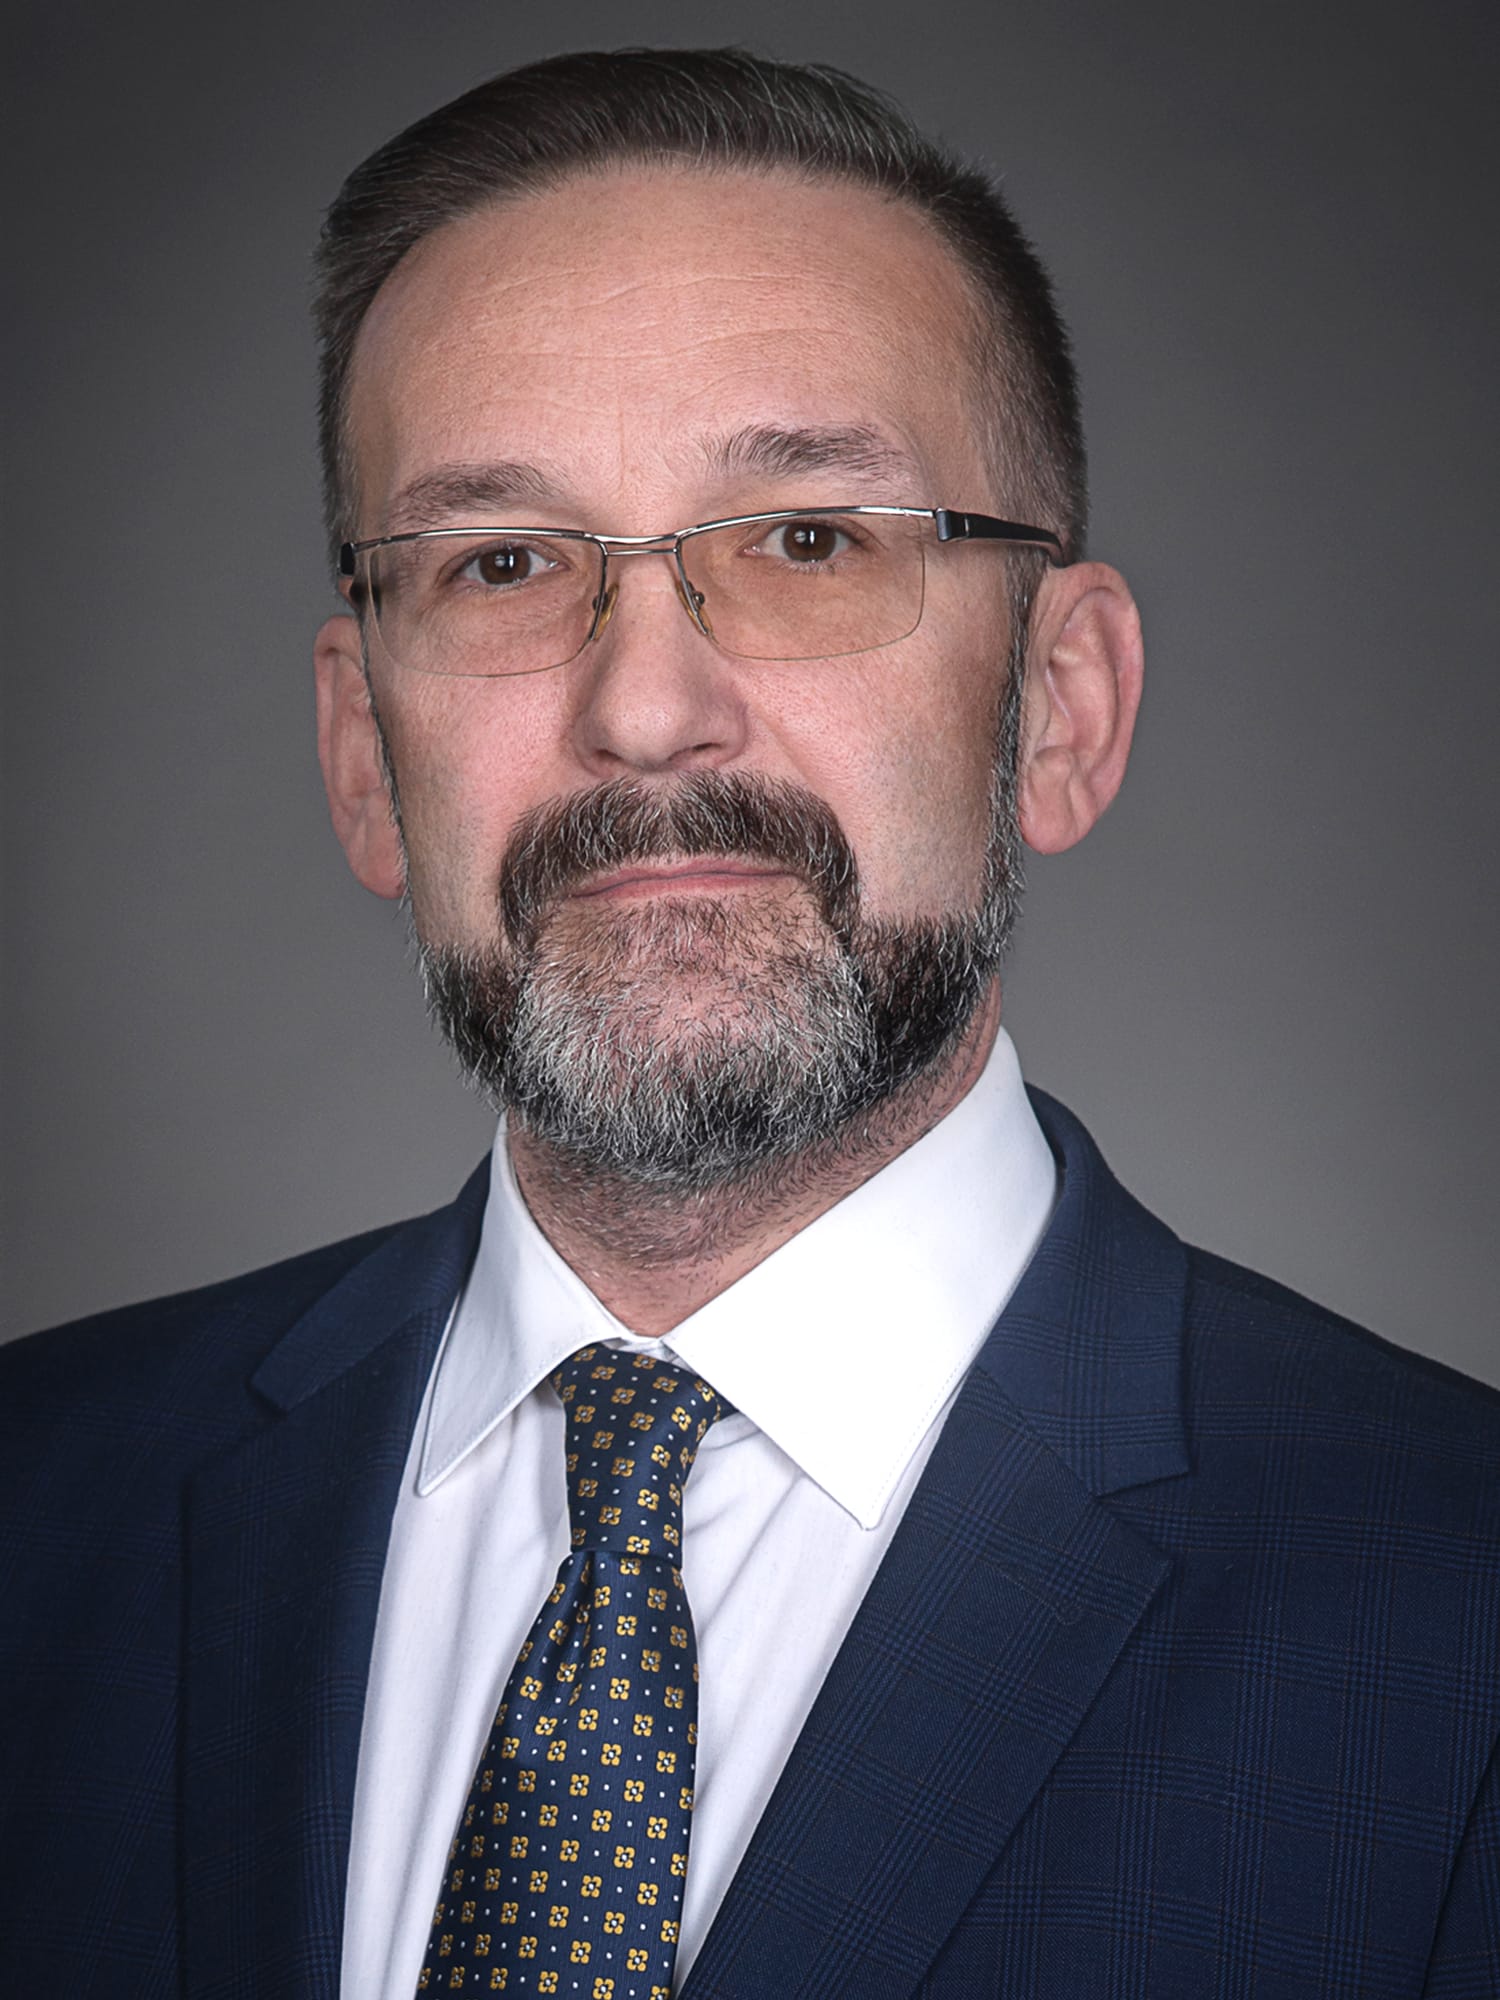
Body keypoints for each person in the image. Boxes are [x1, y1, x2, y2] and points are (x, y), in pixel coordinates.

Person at [2, 45, 1496, 2000]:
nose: (645, 711)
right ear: (365, 756)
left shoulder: (1455, 1612)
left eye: (806, 541)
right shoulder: (35, 1507)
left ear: (1060, 707)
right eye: (502, 563)